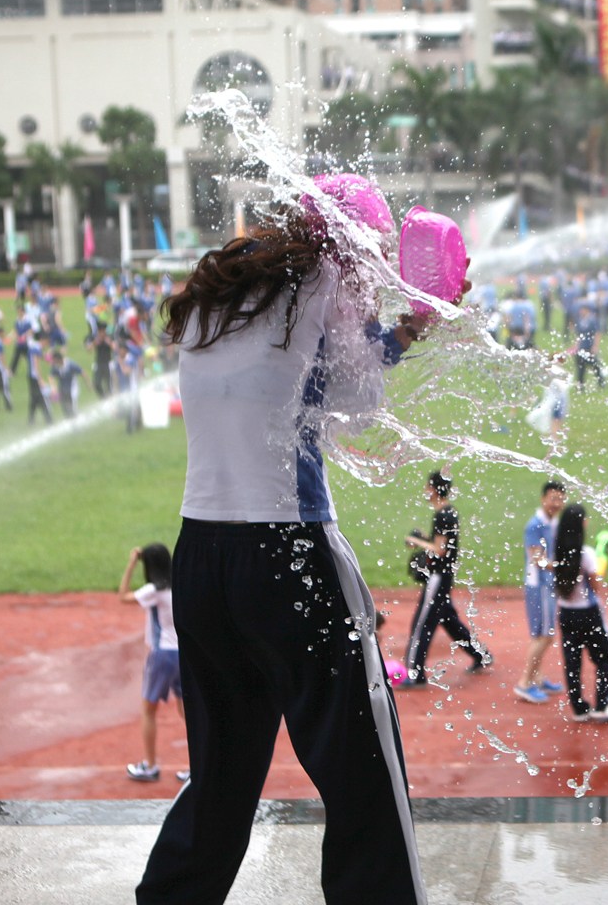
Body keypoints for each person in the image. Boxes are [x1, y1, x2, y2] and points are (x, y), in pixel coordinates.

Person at [137, 175, 450, 904]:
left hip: (203, 560)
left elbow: (296, 388)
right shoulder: (322, 287)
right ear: (345, 242)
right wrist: (406, 330)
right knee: (366, 779)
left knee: (221, 779)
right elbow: (359, 404)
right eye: (368, 249)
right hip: (292, 554)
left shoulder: (220, 289)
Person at [402, 469, 492, 685]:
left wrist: (417, 542)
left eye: (427, 487)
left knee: (422, 624)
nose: (425, 490)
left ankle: (415, 674)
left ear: (433, 489)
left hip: (438, 578)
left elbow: (439, 550)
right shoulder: (449, 512)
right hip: (445, 577)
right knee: (449, 621)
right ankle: (481, 655)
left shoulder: (443, 515)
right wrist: (427, 538)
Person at [118, 543, 188, 785]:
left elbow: (123, 596)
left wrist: (130, 564)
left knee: (148, 711)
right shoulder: (179, 585)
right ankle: (198, 766)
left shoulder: (153, 590)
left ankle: (149, 766)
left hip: (161, 656)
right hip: (184, 655)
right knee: (187, 712)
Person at [552, 503, 608, 722]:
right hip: (588, 613)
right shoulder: (587, 554)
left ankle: (579, 708)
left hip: (566, 613)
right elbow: (596, 585)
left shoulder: (557, 552)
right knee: (605, 657)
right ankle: (602, 704)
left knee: (572, 661)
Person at [515, 481, 567, 704]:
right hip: (540, 585)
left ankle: (537, 677)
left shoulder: (553, 521)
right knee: (545, 635)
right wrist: (564, 566)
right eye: (553, 498)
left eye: (560, 499)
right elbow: (537, 559)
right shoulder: (535, 525)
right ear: (543, 498)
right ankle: (524, 683)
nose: (557, 503)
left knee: (541, 634)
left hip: (548, 584)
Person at [50, 349, 85, 419]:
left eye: (54, 360)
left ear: (58, 359)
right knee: (64, 405)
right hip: (62, 388)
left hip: (72, 387)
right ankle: (69, 418)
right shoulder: (55, 366)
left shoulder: (70, 364)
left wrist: (88, 383)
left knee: (72, 405)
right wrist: (53, 388)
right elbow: (51, 376)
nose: (53, 362)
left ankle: (76, 417)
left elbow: (82, 372)